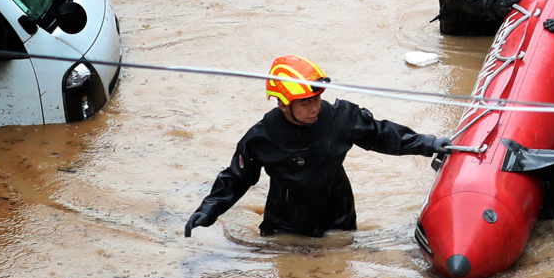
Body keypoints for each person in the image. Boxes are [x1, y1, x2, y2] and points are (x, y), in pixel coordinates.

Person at [183, 55, 447, 238]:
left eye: (317, 98)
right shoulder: (261, 137)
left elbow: (383, 135)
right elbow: (236, 179)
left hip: (338, 221)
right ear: (284, 104)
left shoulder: (341, 118)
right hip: (284, 228)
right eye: (305, 103)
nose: (315, 108)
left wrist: (430, 144)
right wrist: (208, 210)